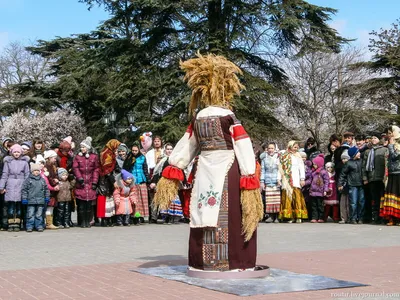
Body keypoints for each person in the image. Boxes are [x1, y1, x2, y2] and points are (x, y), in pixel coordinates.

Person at [153, 53, 263, 272]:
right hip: (229, 170)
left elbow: (187, 145)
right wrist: (249, 175)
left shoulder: (199, 116)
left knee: (203, 210)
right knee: (232, 214)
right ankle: (234, 262)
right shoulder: (229, 116)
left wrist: (175, 166)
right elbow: (243, 145)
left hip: (204, 169)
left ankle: (204, 262)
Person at [0, 144, 30, 231]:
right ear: (12, 153)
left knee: (19, 207)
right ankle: (10, 223)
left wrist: (26, 186)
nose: (16, 153)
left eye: (18, 152)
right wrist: (1, 186)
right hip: (10, 184)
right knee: (11, 206)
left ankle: (17, 223)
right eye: (15, 152)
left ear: (21, 153)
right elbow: (4, 175)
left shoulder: (24, 163)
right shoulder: (8, 162)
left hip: (21, 184)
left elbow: (27, 175)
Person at [73, 137, 100, 228]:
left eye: (84, 147)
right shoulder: (78, 157)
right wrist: (79, 178)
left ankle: (88, 221)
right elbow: (75, 168)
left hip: (90, 182)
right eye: (81, 147)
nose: (82, 149)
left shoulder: (94, 157)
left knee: (89, 205)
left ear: (88, 148)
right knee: (81, 205)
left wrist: (95, 182)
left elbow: (96, 169)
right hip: (81, 183)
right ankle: (82, 221)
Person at [278, 141, 308, 223]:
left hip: (295, 179)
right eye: (295, 147)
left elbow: (301, 168)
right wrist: (278, 179)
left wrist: (302, 178)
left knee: (297, 197)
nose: (296, 148)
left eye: (297, 147)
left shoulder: (298, 157)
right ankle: (289, 216)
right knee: (287, 197)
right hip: (286, 180)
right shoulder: (284, 156)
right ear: (290, 146)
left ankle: (298, 216)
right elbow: (280, 168)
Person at [362, 132, 387, 224]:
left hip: (381, 178)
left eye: (375, 138)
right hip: (371, 178)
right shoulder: (368, 151)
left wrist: (385, 177)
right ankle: (375, 217)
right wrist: (365, 178)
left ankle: (383, 217)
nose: (373, 140)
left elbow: (386, 165)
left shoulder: (384, 150)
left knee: (382, 198)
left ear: (379, 139)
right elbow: (364, 166)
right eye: (372, 138)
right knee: (374, 199)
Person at [123, 143, 150, 225]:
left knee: (142, 200)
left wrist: (148, 180)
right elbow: (125, 169)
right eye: (133, 150)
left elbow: (145, 169)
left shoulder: (142, 157)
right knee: (135, 200)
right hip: (132, 181)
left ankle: (141, 216)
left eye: (136, 150)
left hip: (141, 180)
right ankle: (135, 216)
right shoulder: (129, 157)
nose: (134, 152)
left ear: (139, 150)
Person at [338, 146, 364, 224]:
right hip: (352, 184)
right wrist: (340, 184)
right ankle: (353, 218)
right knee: (353, 202)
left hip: (361, 184)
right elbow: (343, 174)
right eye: (358, 152)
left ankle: (360, 217)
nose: (359, 153)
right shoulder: (349, 163)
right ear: (354, 154)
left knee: (361, 201)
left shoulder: (362, 161)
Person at [98, 139, 121, 227]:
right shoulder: (107, 154)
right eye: (117, 146)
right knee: (105, 199)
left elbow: (115, 166)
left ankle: (108, 219)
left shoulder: (108, 152)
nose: (117, 148)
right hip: (105, 179)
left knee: (107, 199)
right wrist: (113, 181)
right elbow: (107, 169)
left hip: (106, 178)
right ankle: (104, 220)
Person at [380, 125, 400, 225]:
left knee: (398, 195)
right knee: (390, 195)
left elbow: (395, 156)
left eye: (390, 133)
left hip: (398, 173)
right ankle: (391, 218)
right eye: (387, 133)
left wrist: (391, 145)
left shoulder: (398, 144)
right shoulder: (389, 144)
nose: (388, 135)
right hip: (390, 173)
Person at [21, 163, 50, 232]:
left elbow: (46, 189)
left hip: (40, 200)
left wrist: (47, 197)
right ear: (31, 171)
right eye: (34, 170)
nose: (36, 172)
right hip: (31, 200)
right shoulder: (28, 180)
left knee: (39, 214)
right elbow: (24, 190)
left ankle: (39, 225)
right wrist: (24, 198)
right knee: (30, 214)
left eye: (37, 170)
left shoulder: (42, 180)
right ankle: (29, 226)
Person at [260, 142, 280, 223]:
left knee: (277, 200)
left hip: (276, 181)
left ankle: (277, 216)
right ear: (267, 150)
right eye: (269, 148)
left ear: (275, 149)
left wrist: (279, 179)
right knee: (269, 200)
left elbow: (280, 170)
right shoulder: (264, 159)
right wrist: (262, 181)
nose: (270, 150)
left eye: (272, 148)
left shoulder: (278, 158)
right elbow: (263, 170)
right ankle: (271, 216)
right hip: (268, 181)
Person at [309, 154, 329, 223]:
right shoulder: (313, 172)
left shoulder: (323, 172)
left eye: (315, 164)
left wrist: (325, 190)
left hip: (320, 192)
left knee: (320, 205)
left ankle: (321, 217)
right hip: (313, 192)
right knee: (314, 206)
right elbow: (310, 180)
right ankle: (314, 217)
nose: (314, 165)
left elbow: (327, 181)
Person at [339, 151, 350, 224]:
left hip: (349, 186)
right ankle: (343, 217)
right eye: (342, 159)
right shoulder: (342, 167)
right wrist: (340, 185)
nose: (343, 160)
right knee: (343, 203)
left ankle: (349, 217)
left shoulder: (350, 166)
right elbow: (341, 177)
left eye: (345, 159)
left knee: (348, 203)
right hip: (343, 187)